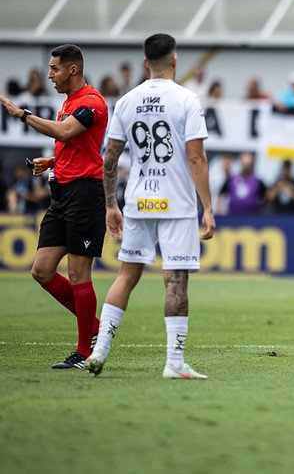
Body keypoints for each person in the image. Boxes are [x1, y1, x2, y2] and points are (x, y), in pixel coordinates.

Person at [85, 33, 216, 379]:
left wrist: (111, 204)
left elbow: (109, 158)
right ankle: (174, 362)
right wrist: (209, 208)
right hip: (176, 204)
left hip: (138, 201)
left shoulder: (127, 101)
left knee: (126, 275)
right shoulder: (187, 99)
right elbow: (196, 157)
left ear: (146, 63)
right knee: (175, 281)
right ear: (174, 61)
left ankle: (99, 352)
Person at [0, 44, 108, 369]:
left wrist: (22, 114)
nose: (49, 75)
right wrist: (52, 160)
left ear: (72, 70)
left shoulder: (91, 103)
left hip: (86, 195)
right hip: (61, 194)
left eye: (54, 69)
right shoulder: (69, 103)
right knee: (42, 271)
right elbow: (74, 144)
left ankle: (85, 352)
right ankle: (97, 329)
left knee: (78, 274)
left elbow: (64, 131)